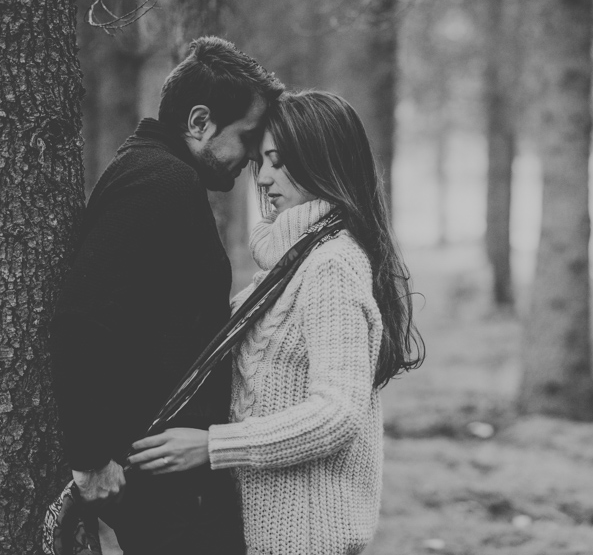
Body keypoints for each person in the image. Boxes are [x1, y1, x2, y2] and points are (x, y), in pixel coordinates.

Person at [127, 90, 424, 555]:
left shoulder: (331, 264)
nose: (264, 178)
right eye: (261, 162)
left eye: (279, 162)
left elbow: (337, 413)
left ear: (321, 163)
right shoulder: (292, 262)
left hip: (303, 539)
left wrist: (212, 446)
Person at [49, 36, 283, 554]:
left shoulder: (156, 172)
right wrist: (90, 458)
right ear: (200, 122)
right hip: (164, 486)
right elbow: (82, 321)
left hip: (175, 478)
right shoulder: (161, 181)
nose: (252, 157)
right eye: (248, 137)